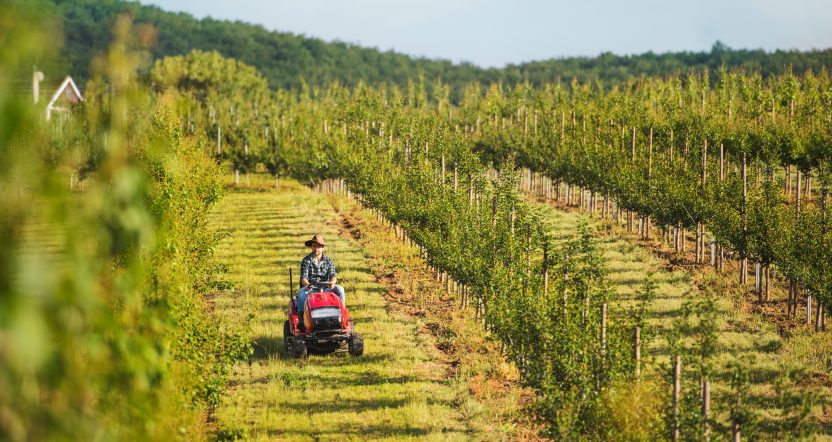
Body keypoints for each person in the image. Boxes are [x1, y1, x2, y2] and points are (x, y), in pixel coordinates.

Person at [296, 233, 345, 313]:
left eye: (318, 247)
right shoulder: (306, 260)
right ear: (311, 247)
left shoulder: (328, 261)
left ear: (322, 248)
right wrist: (307, 285)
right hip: (311, 289)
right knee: (301, 293)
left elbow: (333, 275)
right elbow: (304, 278)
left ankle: (342, 314)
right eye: (314, 246)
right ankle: (302, 319)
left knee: (340, 289)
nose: (316, 249)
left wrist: (332, 283)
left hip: (326, 288)